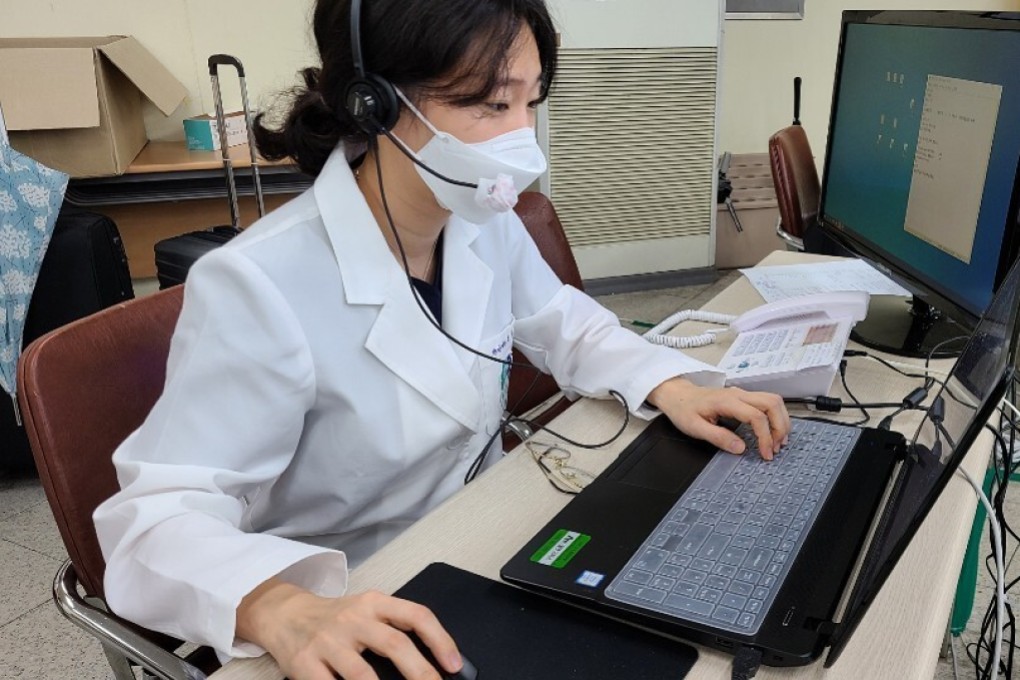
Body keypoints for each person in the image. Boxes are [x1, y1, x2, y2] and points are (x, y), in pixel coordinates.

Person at [94, 1, 790, 679]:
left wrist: (668, 383)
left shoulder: (478, 216)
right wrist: (279, 606)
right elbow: (152, 519)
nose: (523, 137)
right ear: (376, 105)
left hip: (482, 544)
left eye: (530, 101)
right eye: (489, 105)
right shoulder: (259, 284)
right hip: (352, 598)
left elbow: (564, 323)